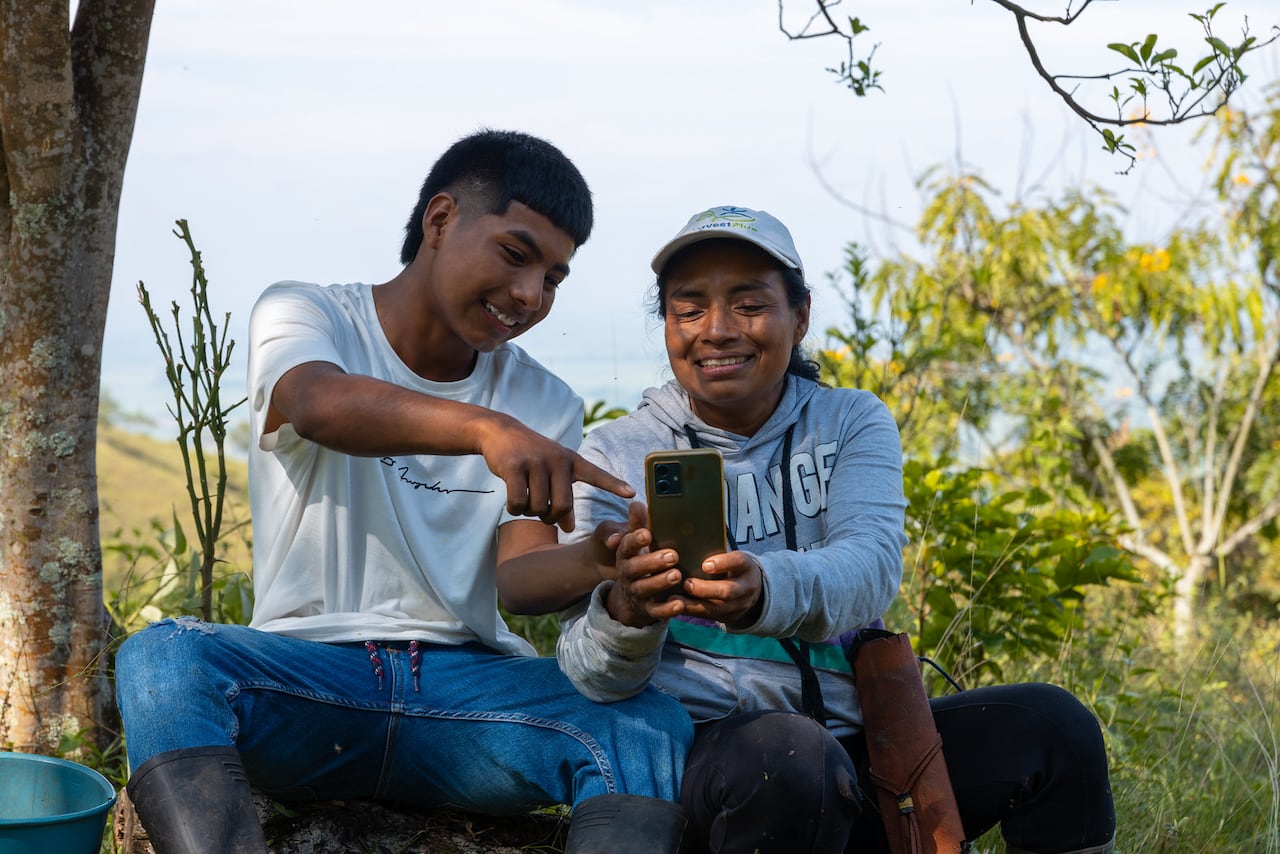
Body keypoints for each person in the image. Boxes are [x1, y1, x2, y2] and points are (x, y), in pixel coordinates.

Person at [114, 130, 693, 854]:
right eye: (516, 255)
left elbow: (517, 578)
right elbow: (318, 404)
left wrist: (605, 561)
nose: (529, 294)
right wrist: (486, 428)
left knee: (649, 724)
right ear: (440, 220)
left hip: (468, 702)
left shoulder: (545, 398)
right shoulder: (309, 313)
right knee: (163, 658)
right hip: (309, 686)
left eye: (553, 277)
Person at [497, 204, 1118, 854]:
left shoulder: (850, 421)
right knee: (789, 757)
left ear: (800, 316)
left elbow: (870, 569)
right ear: (667, 327)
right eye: (689, 308)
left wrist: (766, 588)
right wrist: (627, 609)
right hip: (717, 766)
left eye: (748, 304)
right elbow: (595, 679)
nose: (716, 330)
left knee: (1055, 727)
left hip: (862, 755)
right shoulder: (618, 454)